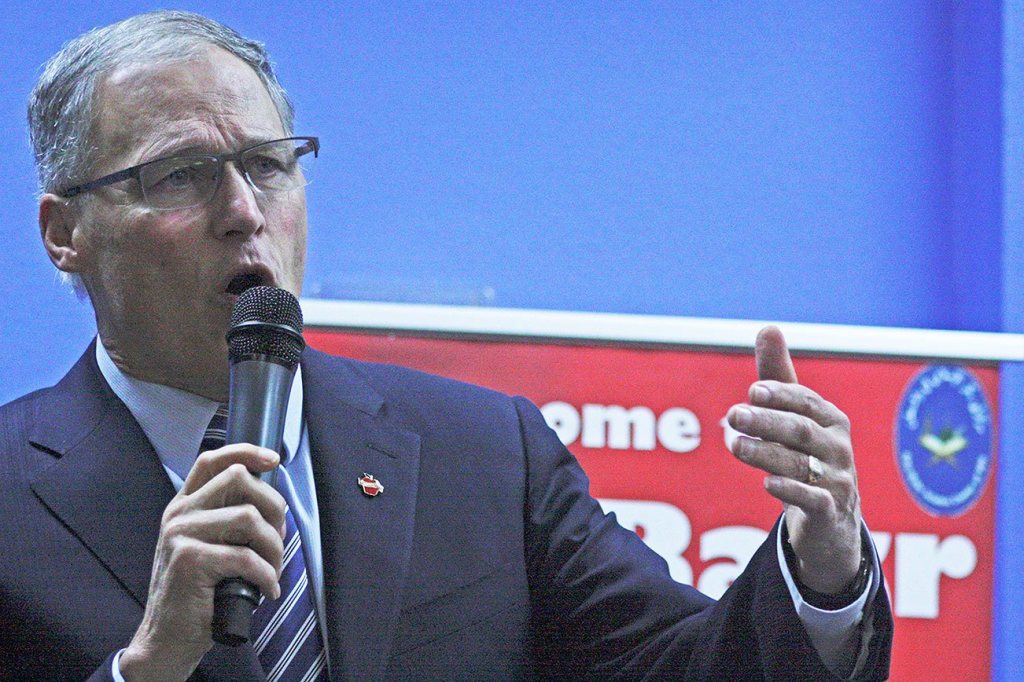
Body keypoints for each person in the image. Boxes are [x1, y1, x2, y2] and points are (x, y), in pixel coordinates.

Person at [0, 10, 892, 681]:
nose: (244, 211)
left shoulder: (487, 455)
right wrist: (146, 667)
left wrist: (824, 568)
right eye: (180, 175)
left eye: (269, 165)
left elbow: (684, 667)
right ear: (64, 231)